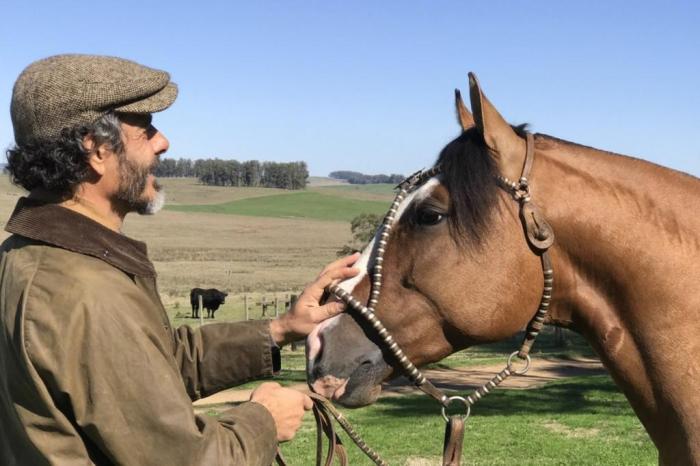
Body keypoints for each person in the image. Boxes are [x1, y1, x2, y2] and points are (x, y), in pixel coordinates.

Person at [0, 54, 360, 466]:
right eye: (146, 128)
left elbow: (156, 366)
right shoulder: (86, 293)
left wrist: (280, 329)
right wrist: (263, 420)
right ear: (97, 150)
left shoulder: (26, 257)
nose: (163, 142)